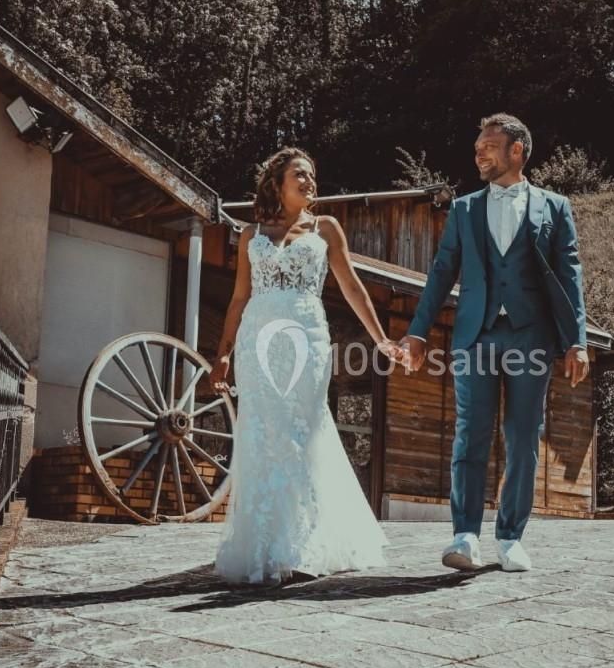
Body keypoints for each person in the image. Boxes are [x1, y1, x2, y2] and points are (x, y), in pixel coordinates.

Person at [399, 113, 590, 573]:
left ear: (517, 150)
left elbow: (569, 275)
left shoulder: (555, 206)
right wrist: (418, 331)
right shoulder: (464, 209)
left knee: (524, 437)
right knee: (471, 432)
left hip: (531, 337)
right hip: (475, 336)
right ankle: (465, 536)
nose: (479, 152)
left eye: (489, 145)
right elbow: (443, 271)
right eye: (478, 145)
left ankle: (511, 537)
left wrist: (576, 341)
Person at [209, 147, 403, 585]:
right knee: (261, 433)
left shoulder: (326, 228)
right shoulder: (250, 235)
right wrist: (223, 353)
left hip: (307, 340)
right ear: (277, 181)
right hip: (256, 342)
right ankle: (263, 544)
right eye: (301, 173)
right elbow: (240, 297)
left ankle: (303, 545)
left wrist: (381, 340)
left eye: (313, 175)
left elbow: (352, 287)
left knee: (301, 430)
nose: (310, 181)